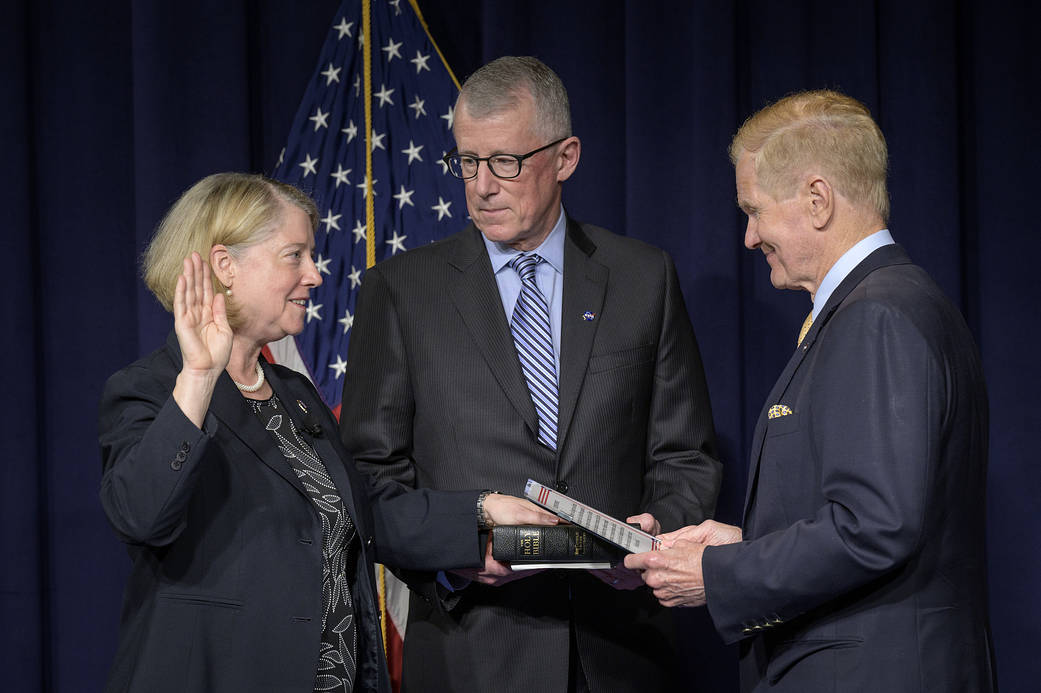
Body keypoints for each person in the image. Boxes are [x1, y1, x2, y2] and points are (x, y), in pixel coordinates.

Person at [339, 56, 721, 692]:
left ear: (565, 157)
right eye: (467, 162)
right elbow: (367, 487)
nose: (482, 185)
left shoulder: (642, 277)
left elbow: (687, 455)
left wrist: (654, 541)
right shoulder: (401, 292)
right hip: (472, 654)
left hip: (620, 649)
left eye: (505, 162)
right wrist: (462, 548)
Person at [98, 172, 556, 693]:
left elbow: (363, 515)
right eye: (294, 255)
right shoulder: (149, 390)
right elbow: (141, 517)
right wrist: (200, 377)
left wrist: (479, 509)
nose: (315, 275)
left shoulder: (293, 391)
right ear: (226, 266)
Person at [626, 90, 995, 692]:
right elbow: (880, 510)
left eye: (755, 211)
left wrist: (720, 575)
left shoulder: (876, 317)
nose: (748, 237)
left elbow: (874, 526)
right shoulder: (900, 301)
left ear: (817, 200)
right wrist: (743, 542)